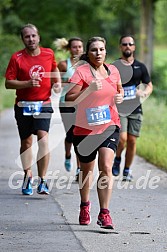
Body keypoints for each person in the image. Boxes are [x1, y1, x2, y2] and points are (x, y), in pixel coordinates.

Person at [65, 37, 124, 228]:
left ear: (106, 51)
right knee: (86, 171)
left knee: (106, 167)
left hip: (110, 125)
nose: (98, 53)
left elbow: (119, 89)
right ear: (88, 53)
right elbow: (69, 99)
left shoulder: (113, 71)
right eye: (94, 50)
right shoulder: (81, 72)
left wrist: (120, 96)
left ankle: (104, 213)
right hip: (85, 129)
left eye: (101, 49)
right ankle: (84, 205)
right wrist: (88, 90)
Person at [5, 23, 61, 195]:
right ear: (23, 39)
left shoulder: (48, 53)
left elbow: (54, 68)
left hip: (43, 103)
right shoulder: (17, 58)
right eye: (27, 36)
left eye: (33, 36)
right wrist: (27, 83)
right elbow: (8, 82)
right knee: (27, 142)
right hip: (23, 105)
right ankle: (28, 174)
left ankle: (42, 180)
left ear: (38, 37)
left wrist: (57, 82)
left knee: (43, 140)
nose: (31, 39)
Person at [112, 35, 153, 181]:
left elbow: (149, 84)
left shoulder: (140, 66)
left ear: (134, 47)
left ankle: (127, 170)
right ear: (120, 47)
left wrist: (144, 92)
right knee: (122, 139)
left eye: (130, 44)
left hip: (136, 108)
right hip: (120, 109)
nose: (127, 46)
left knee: (132, 141)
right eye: (124, 44)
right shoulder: (114, 66)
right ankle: (117, 159)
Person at [56, 37, 84, 179]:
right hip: (66, 103)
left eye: (80, 46)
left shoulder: (87, 65)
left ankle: (79, 169)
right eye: (74, 47)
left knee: (79, 135)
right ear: (69, 49)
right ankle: (68, 155)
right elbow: (55, 83)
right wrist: (60, 84)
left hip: (83, 104)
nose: (77, 49)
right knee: (71, 134)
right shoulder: (63, 65)